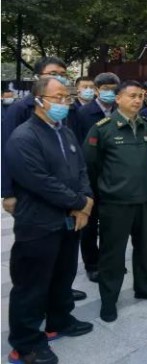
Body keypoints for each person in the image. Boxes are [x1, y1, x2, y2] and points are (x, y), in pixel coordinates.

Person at [6, 77, 95, 364]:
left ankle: (60, 320)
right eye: (57, 97)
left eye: (67, 97)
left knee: (63, 275)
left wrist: (85, 200)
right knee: (31, 285)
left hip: (68, 221)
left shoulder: (65, 132)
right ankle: (26, 344)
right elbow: (40, 181)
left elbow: (80, 169)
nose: (64, 103)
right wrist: (79, 203)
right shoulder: (24, 137)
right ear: (38, 100)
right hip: (38, 223)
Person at [1, 57, 88, 303]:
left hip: (67, 200)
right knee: (35, 264)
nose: (59, 77)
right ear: (39, 78)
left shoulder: (66, 115)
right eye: (53, 73)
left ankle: (60, 301)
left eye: (63, 74)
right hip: (36, 200)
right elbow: (8, 152)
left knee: (63, 259)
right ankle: (33, 313)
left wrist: (84, 197)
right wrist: (7, 191)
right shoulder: (21, 114)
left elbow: (77, 159)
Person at [83, 80, 147, 323]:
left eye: (140, 96)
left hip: (145, 199)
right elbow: (91, 166)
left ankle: (144, 286)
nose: (137, 100)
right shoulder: (102, 129)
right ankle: (109, 299)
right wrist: (102, 193)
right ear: (118, 98)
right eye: (132, 95)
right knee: (112, 253)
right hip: (116, 203)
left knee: (145, 248)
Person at [73, 72, 121, 283]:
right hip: (91, 176)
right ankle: (92, 264)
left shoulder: (121, 110)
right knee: (90, 225)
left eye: (113, 89)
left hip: (115, 176)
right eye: (105, 89)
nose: (109, 93)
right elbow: (76, 145)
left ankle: (109, 261)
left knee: (112, 223)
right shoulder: (83, 113)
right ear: (96, 90)